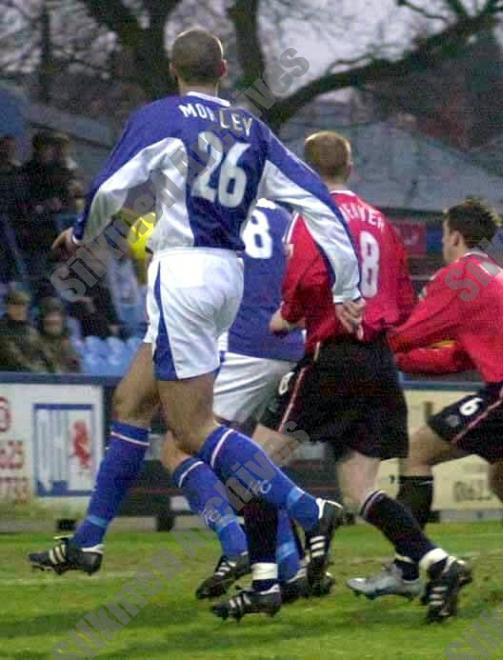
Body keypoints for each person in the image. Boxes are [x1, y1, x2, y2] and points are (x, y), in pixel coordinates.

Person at [28, 29, 362, 586]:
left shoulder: (163, 116)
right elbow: (318, 201)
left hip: (182, 270)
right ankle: (87, 541)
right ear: (225, 69)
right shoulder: (253, 130)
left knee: (191, 430)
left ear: (173, 70)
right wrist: (347, 286)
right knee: (132, 404)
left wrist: (82, 232)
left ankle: (306, 507)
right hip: (225, 277)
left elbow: (112, 183)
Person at [212, 130, 467, 624]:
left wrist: (287, 315)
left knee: (250, 469)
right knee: (361, 492)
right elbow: (404, 299)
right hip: (377, 362)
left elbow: (307, 278)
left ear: (303, 172)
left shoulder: (311, 214)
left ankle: (267, 581)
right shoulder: (382, 223)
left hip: (331, 358)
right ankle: (439, 563)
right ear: (351, 168)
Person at [349, 197, 503, 603]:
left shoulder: (460, 275)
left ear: (454, 235)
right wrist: (402, 355)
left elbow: (409, 333)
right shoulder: (498, 275)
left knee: (415, 450)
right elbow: (456, 356)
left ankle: (407, 568)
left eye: (444, 234)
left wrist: (369, 342)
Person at [156, 199, 308, 602]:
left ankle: (233, 543)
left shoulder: (215, 207)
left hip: (244, 346)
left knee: (178, 445)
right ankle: (291, 571)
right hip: (294, 345)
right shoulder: (287, 217)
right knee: (254, 464)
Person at [0, 289, 52, 372]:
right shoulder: (3, 329)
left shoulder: (32, 330)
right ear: (7, 307)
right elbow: (15, 359)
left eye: (23, 305)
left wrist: (52, 372)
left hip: (34, 376)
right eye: (15, 305)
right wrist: (38, 372)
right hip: (10, 378)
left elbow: (45, 355)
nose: (20, 309)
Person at [35, 297, 81, 373]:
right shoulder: (35, 342)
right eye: (49, 316)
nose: (53, 319)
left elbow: (76, 371)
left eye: (56, 316)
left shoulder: (68, 345)